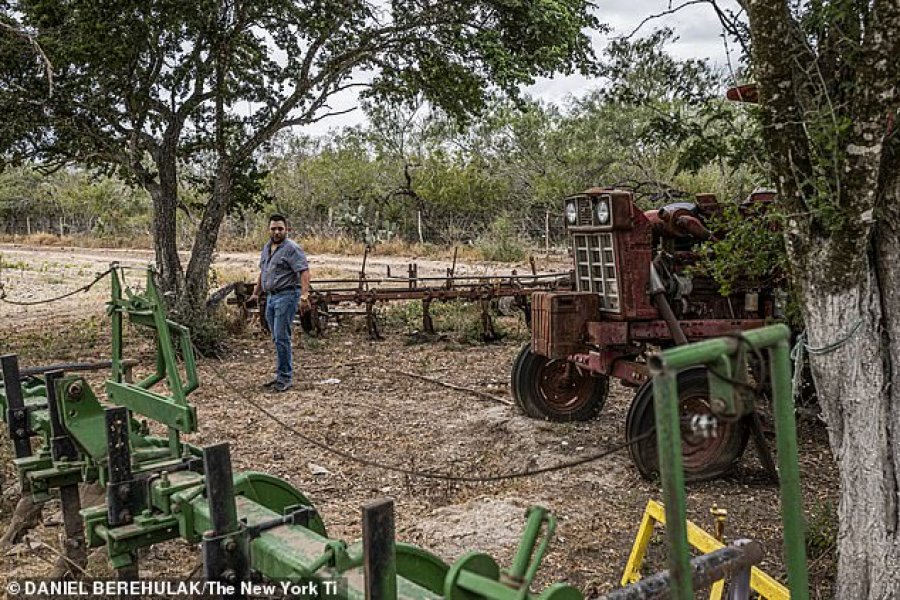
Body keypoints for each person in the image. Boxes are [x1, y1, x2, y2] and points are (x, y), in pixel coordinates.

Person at [248, 214, 310, 392]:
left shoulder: (292, 249)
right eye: (273, 228)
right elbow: (263, 271)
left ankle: (285, 378)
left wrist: (304, 296)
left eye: (280, 229)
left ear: (286, 229)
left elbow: (304, 271)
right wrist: (255, 293)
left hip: (287, 295)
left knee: (282, 337)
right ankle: (280, 375)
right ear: (268, 230)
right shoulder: (267, 248)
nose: (277, 232)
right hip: (271, 297)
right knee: (276, 337)